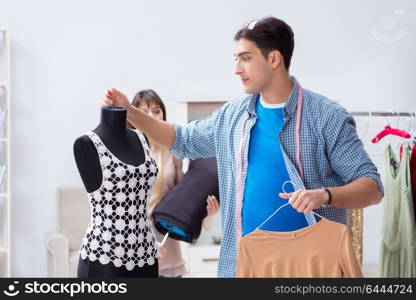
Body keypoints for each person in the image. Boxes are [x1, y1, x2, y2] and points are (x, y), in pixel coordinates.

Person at [100, 16, 384, 278]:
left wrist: (324, 195)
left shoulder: (326, 117)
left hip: (309, 267)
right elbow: (182, 140)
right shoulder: (232, 116)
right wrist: (130, 112)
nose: (237, 69)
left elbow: (372, 187)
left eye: (246, 58)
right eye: (236, 58)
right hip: (244, 265)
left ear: (274, 58)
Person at [128, 89, 220, 277]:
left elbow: (185, 200)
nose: (151, 116)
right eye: (143, 112)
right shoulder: (125, 154)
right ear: (133, 118)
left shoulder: (172, 152)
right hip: (135, 245)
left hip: (167, 244)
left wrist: (208, 215)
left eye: (156, 110)